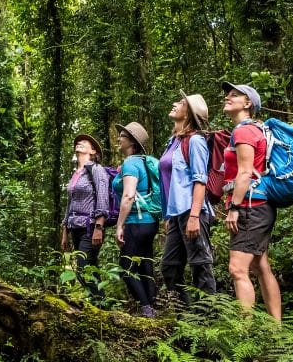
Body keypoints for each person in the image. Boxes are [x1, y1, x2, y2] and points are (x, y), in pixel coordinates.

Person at [220, 81, 282, 320]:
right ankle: (275, 328)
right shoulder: (257, 129)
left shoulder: (243, 131)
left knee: (237, 269)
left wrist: (234, 208)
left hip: (250, 206)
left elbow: (245, 172)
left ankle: (246, 334)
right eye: (228, 94)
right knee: (260, 266)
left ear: (248, 104)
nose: (228, 97)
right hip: (261, 205)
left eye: (235, 95)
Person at [159, 91, 218, 305]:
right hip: (176, 214)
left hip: (192, 211)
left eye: (181, 103)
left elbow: (200, 180)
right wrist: (169, 215)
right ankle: (187, 314)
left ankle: (208, 318)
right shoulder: (172, 142)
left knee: (200, 263)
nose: (175, 104)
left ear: (189, 114)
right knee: (170, 267)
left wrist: (194, 215)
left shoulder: (195, 141)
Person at [113, 121, 160, 317]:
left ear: (131, 141)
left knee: (126, 267)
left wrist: (119, 225)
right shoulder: (144, 161)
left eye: (122, 136)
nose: (118, 139)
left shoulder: (131, 163)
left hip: (135, 221)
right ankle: (152, 307)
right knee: (145, 263)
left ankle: (146, 309)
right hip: (150, 221)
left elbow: (129, 195)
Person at [61, 133, 111, 297]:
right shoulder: (75, 174)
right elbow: (70, 203)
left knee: (84, 269)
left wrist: (99, 226)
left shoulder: (96, 170)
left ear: (93, 151)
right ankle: (101, 306)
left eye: (85, 142)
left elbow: (103, 197)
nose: (80, 143)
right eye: (78, 142)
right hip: (75, 227)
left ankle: (101, 306)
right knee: (88, 268)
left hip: (90, 227)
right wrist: (64, 231)